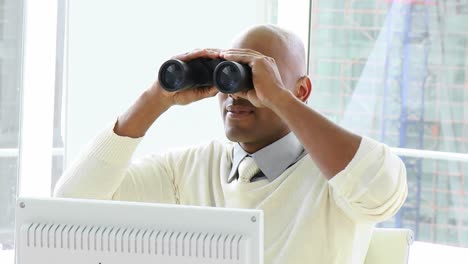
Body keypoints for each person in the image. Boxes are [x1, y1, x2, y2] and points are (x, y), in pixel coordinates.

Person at [54, 24, 408, 264]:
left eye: (255, 76)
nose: (236, 92)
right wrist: (155, 98)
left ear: (300, 91)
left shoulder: (336, 179)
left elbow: (381, 189)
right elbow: (70, 207)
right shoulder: (190, 169)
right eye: (229, 74)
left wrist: (280, 100)